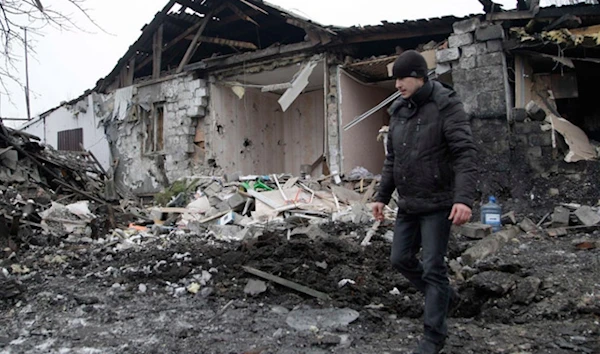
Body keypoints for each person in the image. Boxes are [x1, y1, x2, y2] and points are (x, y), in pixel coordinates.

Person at [372, 50, 477, 354]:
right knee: (399, 259)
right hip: (409, 203)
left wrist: (463, 199)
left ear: (419, 76)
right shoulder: (399, 111)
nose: (397, 85)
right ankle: (444, 297)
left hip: (438, 202)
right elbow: (393, 160)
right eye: (395, 79)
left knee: (432, 267)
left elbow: (464, 154)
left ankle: (433, 337)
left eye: (402, 78)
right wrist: (381, 196)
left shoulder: (446, 106)